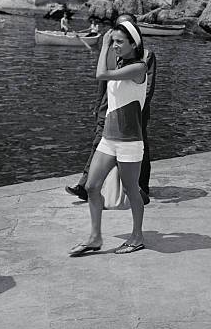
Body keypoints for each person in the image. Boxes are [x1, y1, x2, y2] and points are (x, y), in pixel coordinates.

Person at [69, 19, 148, 257]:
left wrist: (103, 44)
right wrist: (110, 44)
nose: (114, 45)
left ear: (134, 44)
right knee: (92, 186)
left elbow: (101, 74)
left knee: (131, 190)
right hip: (109, 139)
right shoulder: (122, 62)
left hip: (130, 142)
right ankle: (95, 237)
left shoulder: (139, 68)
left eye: (119, 42)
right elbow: (106, 75)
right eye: (113, 41)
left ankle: (137, 237)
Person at [66, 14, 156, 203]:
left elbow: (147, 87)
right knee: (99, 144)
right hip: (110, 110)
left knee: (138, 152)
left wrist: (138, 111)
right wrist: (98, 104)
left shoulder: (146, 56)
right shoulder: (115, 53)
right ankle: (85, 185)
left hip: (133, 114)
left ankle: (140, 189)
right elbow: (104, 83)